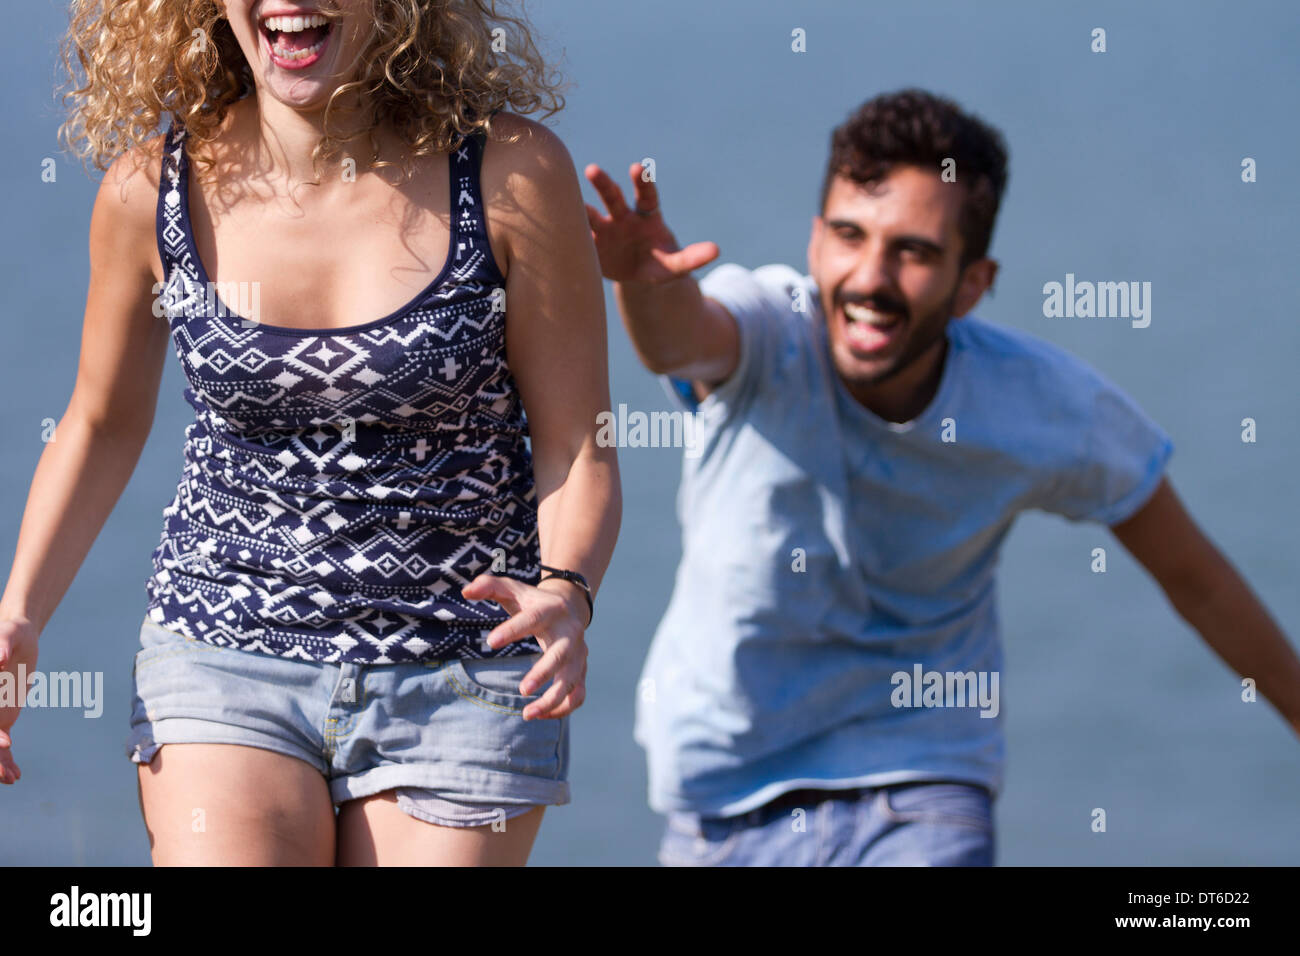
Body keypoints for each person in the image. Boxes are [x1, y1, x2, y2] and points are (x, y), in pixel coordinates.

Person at [584, 88, 1300, 866]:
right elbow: (680, 342)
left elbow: (1196, 578)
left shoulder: (1043, 405)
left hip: (923, 782)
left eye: (914, 251)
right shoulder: (765, 331)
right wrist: (646, 282)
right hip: (721, 796)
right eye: (850, 236)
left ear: (973, 283)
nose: (870, 278)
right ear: (815, 239)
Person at [0, 0, 620, 866]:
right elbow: (100, 424)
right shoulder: (149, 191)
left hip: (460, 667)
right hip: (222, 647)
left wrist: (567, 589)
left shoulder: (510, 174)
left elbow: (577, 442)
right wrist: (19, 615)